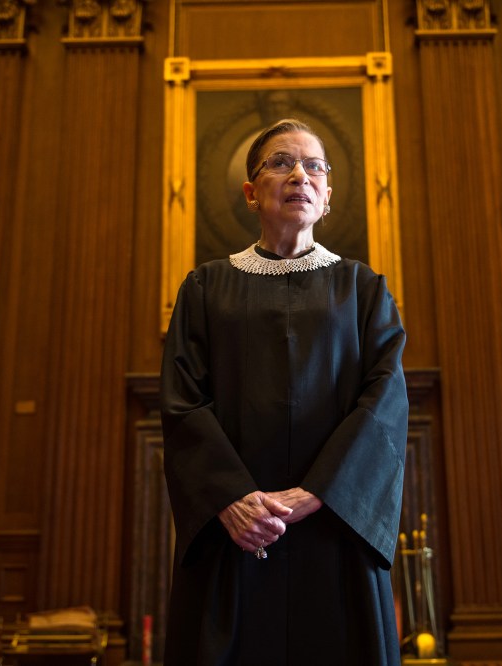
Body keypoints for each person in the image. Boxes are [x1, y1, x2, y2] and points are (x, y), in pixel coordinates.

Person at [160, 118, 409, 665]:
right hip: (238, 530)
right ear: (252, 192)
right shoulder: (205, 288)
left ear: (326, 196)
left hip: (335, 527)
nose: (300, 174)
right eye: (281, 162)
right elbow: (182, 403)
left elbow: (385, 402)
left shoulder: (363, 289)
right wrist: (231, 498)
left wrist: (319, 490)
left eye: (314, 166)